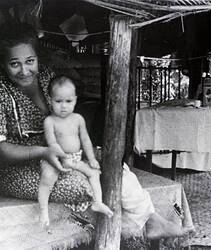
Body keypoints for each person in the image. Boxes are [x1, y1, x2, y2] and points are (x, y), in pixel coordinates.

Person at [0, 20, 192, 240]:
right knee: (80, 184)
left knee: (111, 165)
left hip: (60, 155)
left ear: (37, 58)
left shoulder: (46, 77)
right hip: (17, 168)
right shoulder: (1, 90)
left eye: (29, 61)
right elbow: (1, 150)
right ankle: (126, 234)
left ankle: (152, 222)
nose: (24, 70)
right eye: (15, 64)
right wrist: (43, 152)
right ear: (4, 64)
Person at [39, 76, 113, 229]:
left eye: (68, 101)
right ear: (50, 100)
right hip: (56, 158)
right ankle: (43, 210)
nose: (63, 106)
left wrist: (91, 158)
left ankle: (97, 202)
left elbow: (85, 140)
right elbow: (51, 142)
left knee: (94, 172)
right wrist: (61, 156)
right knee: (47, 178)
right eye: (58, 101)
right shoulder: (50, 121)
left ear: (75, 100)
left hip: (74, 158)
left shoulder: (78, 119)